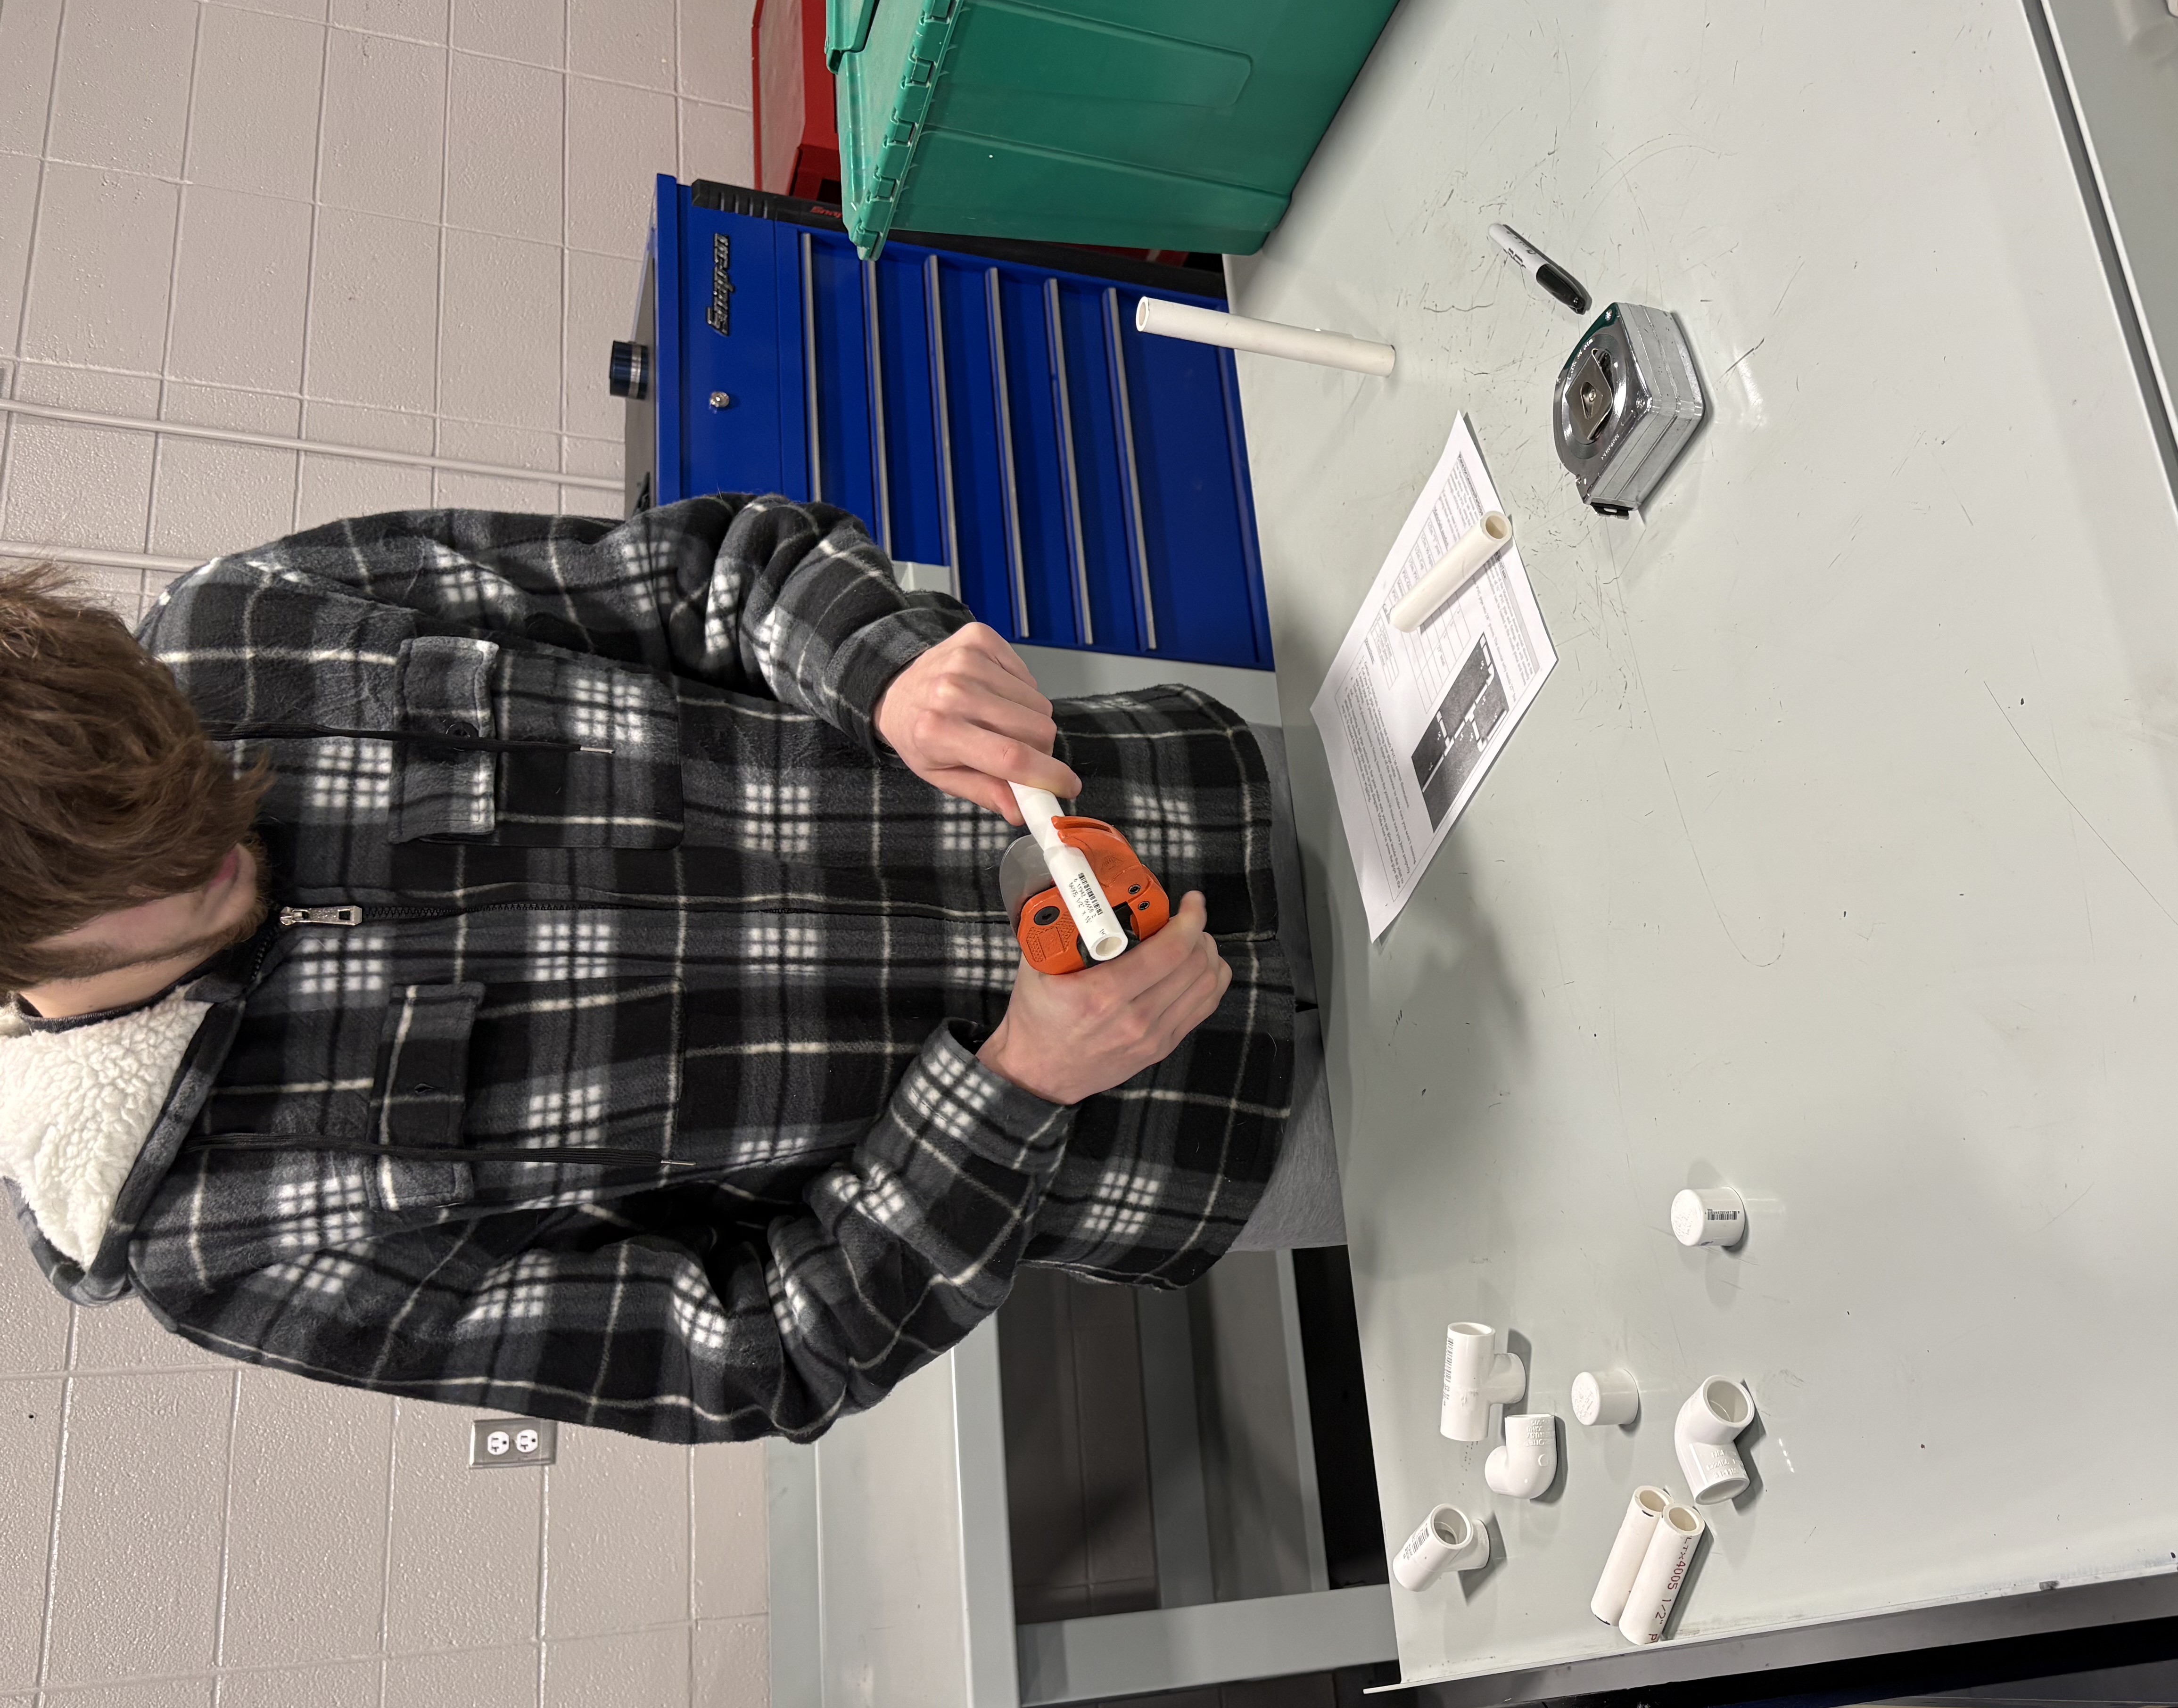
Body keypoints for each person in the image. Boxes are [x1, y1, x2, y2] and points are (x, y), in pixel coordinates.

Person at [0, 495, 1337, 1442]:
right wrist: (1020, 1085)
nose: (222, 822)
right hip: (1211, 1124)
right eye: (165, 872)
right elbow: (748, 1354)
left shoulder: (240, 629)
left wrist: (880, 674)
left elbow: (712, 574)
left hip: (1216, 786)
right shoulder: (216, 1237)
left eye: (192, 764)